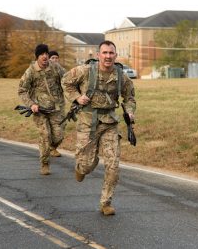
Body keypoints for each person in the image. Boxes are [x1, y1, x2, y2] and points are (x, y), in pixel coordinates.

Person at [62, 40, 136, 215]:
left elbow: (130, 98)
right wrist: (77, 97)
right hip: (88, 123)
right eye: (105, 53)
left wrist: (130, 112)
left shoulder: (121, 77)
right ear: (98, 55)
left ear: (116, 55)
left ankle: (106, 203)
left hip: (110, 123)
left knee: (113, 165)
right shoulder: (85, 71)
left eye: (111, 53)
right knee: (86, 165)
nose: (108, 56)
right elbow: (66, 81)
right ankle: (82, 167)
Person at [18, 44, 66, 175]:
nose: (45, 56)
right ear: (37, 57)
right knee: (45, 135)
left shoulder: (55, 67)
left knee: (58, 135)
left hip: (56, 108)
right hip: (39, 110)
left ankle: (51, 147)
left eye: (46, 53)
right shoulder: (31, 71)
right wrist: (31, 104)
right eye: (41, 54)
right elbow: (22, 90)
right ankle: (45, 163)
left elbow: (67, 79)